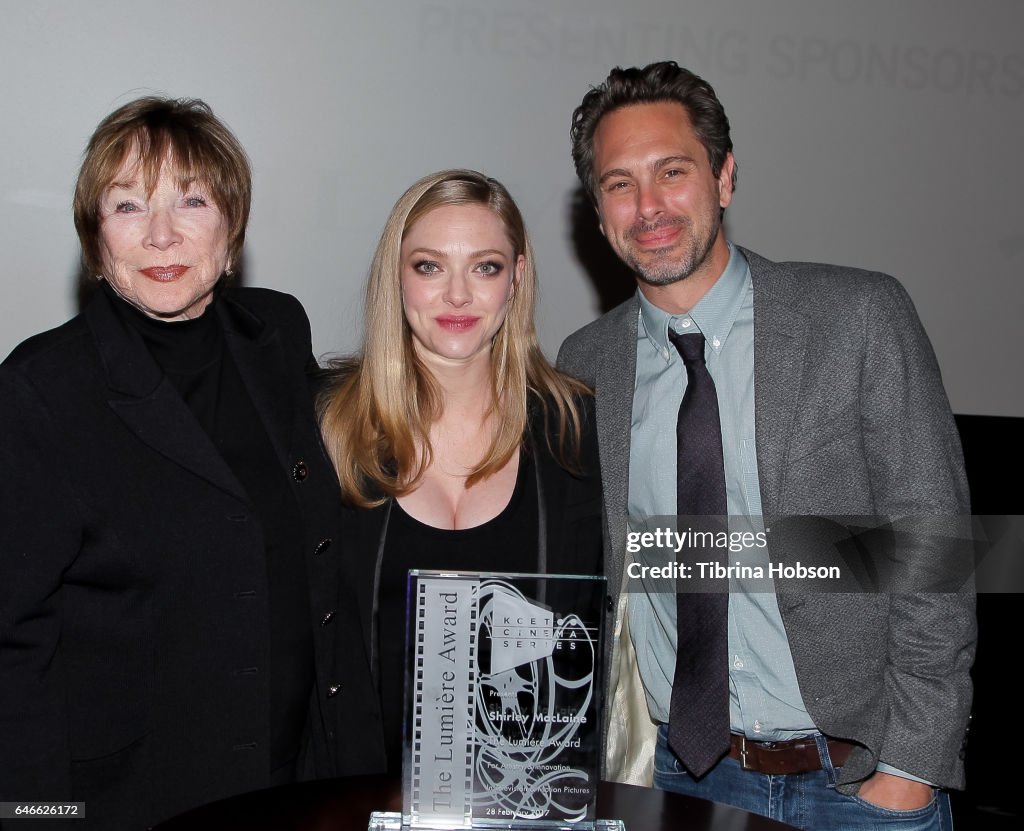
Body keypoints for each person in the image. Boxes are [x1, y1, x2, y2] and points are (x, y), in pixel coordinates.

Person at [557, 61, 974, 830]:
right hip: (679, 780)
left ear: (724, 176)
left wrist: (912, 765)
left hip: (857, 779)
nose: (648, 206)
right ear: (597, 209)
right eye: (619, 184)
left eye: (672, 171)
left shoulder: (858, 316)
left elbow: (934, 545)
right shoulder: (584, 365)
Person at [0, 97, 383, 829]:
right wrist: (35, 818)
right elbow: (9, 646)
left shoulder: (275, 331)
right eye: (128, 205)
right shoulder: (41, 391)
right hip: (131, 801)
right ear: (95, 242)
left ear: (232, 232)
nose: (162, 233)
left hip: (296, 779)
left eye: (193, 199)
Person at [317, 169, 603, 773]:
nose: (456, 295)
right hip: (356, 798)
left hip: (530, 803)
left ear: (516, 279)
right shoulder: (328, 428)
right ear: (394, 278)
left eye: (484, 267)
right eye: (428, 267)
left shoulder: (577, 434)